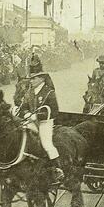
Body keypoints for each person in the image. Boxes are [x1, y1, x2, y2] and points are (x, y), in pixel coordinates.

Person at [14, 54, 64, 183]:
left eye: (33, 78)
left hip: (45, 123)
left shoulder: (49, 92)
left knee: (47, 144)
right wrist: (25, 114)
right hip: (30, 121)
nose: (30, 81)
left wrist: (37, 116)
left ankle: (57, 169)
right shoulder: (29, 92)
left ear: (41, 78)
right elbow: (23, 106)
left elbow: (54, 111)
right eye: (30, 78)